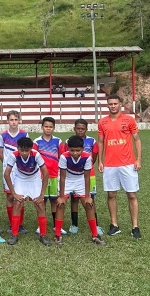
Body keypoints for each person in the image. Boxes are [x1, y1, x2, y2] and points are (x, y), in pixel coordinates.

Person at [98, 94, 142, 238]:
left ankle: (135, 226)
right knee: (111, 194)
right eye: (110, 104)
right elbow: (100, 142)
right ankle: (114, 224)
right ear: (107, 105)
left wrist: (138, 159)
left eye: (115, 103)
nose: (113, 106)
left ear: (120, 104)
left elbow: (137, 140)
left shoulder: (129, 120)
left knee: (131, 194)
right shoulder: (102, 122)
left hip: (128, 163)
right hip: (110, 165)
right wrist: (100, 161)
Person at [53, 136, 106, 246]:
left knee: (89, 204)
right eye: (72, 150)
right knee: (60, 204)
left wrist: (87, 196)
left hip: (80, 180)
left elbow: (87, 178)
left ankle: (95, 235)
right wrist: (62, 196)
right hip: (67, 180)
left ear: (82, 149)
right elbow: (62, 177)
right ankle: (57, 234)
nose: (75, 153)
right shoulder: (63, 157)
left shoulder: (87, 158)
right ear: (68, 149)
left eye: (78, 150)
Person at [3, 137, 52, 246]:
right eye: (22, 150)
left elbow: (46, 173)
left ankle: (43, 235)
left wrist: (42, 194)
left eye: (27, 150)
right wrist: (14, 193)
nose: (24, 153)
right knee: (17, 203)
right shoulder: (13, 155)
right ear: (18, 148)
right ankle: (14, 234)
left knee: (40, 205)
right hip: (21, 179)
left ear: (31, 149)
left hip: (34, 180)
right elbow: (6, 174)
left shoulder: (36, 154)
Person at [59, 119, 103, 236]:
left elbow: (93, 156)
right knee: (74, 198)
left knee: (90, 199)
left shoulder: (91, 141)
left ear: (86, 129)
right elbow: (65, 156)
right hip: (72, 174)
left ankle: (96, 226)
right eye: (78, 128)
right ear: (74, 129)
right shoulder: (69, 141)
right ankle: (74, 224)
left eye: (82, 129)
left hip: (88, 173)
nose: (80, 131)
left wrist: (84, 166)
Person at [33, 117, 65, 235]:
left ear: (53, 128)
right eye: (46, 126)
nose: (48, 129)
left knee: (54, 200)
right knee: (42, 200)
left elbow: (62, 157)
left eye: (50, 127)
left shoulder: (58, 141)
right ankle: (40, 226)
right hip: (41, 176)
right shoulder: (36, 142)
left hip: (55, 175)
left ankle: (56, 225)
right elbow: (34, 159)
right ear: (42, 127)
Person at [0, 110, 28, 233]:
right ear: (7, 121)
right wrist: (7, 163)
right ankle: (12, 223)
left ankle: (19, 224)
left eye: (16, 119)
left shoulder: (24, 135)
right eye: (11, 120)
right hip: (9, 169)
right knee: (10, 196)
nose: (14, 122)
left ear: (19, 120)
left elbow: (28, 151)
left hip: (21, 169)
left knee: (20, 196)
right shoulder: (3, 135)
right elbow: (0, 152)